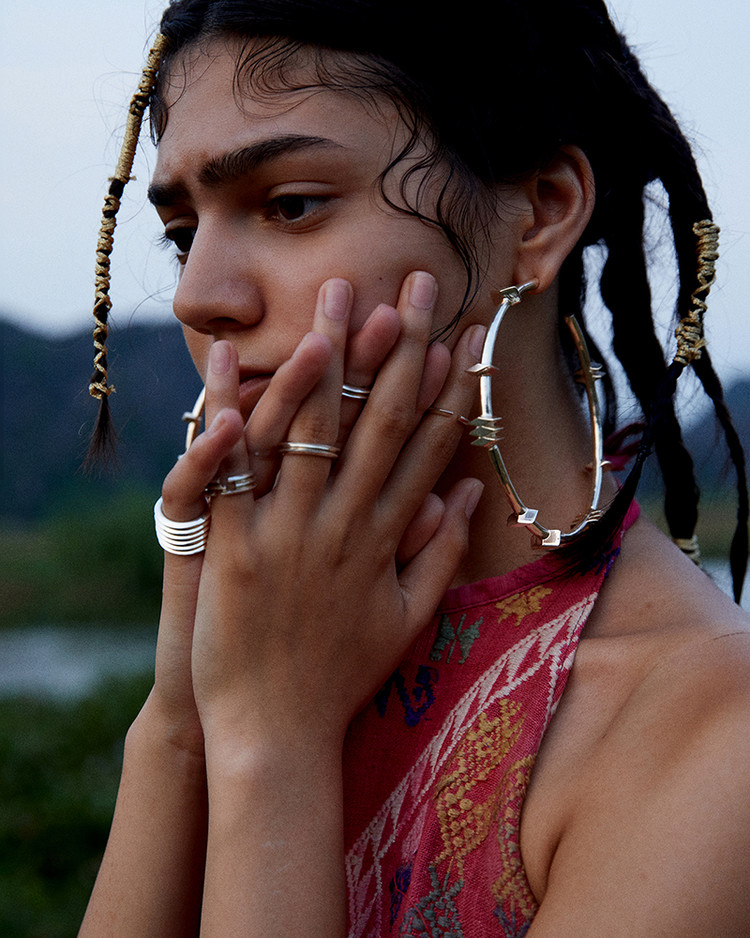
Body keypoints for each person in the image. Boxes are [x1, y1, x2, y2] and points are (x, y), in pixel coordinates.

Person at [79, 1, 750, 934]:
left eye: (290, 205)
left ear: (541, 212)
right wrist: (181, 726)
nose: (198, 296)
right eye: (184, 233)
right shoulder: (241, 654)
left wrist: (273, 744)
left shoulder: (708, 727)